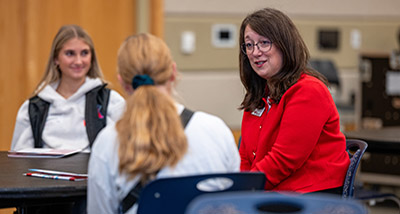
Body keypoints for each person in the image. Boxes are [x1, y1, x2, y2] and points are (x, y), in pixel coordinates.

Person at [87, 33, 240, 213]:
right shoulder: (216, 131)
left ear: (123, 82)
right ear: (173, 72)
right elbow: (234, 203)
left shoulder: (108, 143)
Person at [238, 8, 350, 194]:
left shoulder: (308, 91)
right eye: (249, 45)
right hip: (273, 190)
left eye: (264, 43)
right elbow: (245, 157)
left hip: (311, 194)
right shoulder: (259, 95)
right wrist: (239, 188)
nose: (255, 52)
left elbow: (283, 160)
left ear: (285, 45)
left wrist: (246, 189)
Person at [10, 24, 125, 152]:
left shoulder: (110, 102)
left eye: (84, 53)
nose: (78, 61)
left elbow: (124, 152)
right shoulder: (33, 108)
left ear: (92, 58)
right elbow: (19, 158)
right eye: (70, 54)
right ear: (56, 59)